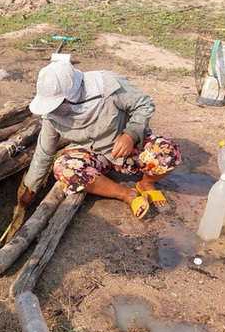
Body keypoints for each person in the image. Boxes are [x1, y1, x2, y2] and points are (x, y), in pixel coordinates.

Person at [19, 61, 181, 219]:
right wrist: (31, 188)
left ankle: (146, 183)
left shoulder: (106, 85)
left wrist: (130, 135)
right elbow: (44, 152)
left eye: (58, 104)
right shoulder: (52, 114)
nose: (55, 109)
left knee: (167, 153)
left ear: (72, 95)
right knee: (64, 167)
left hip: (127, 148)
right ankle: (126, 194)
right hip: (92, 156)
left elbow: (144, 104)